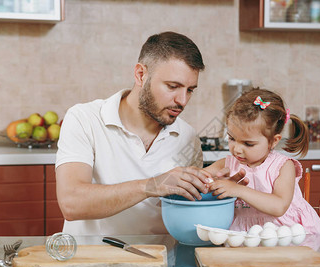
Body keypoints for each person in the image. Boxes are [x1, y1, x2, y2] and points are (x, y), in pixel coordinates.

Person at [55, 31, 243, 236]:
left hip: (161, 263)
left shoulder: (188, 137)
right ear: (140, 75)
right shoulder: (84, 119)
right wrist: (152, 185)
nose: (182, 100)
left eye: (190, 90)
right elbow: (71, 204)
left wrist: (217, 191)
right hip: (91, 264)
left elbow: (184, 214)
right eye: (173, 86)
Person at [205, 88, 320, 235]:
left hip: (284, 233)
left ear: (273, 141)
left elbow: (279, 206)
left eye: (248, 144)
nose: (237, 149)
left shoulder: (282, 166)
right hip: (245, 233)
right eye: (232, 138)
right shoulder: (228, 164)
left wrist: (238, 190)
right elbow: (198, 177)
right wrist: (213, 183)